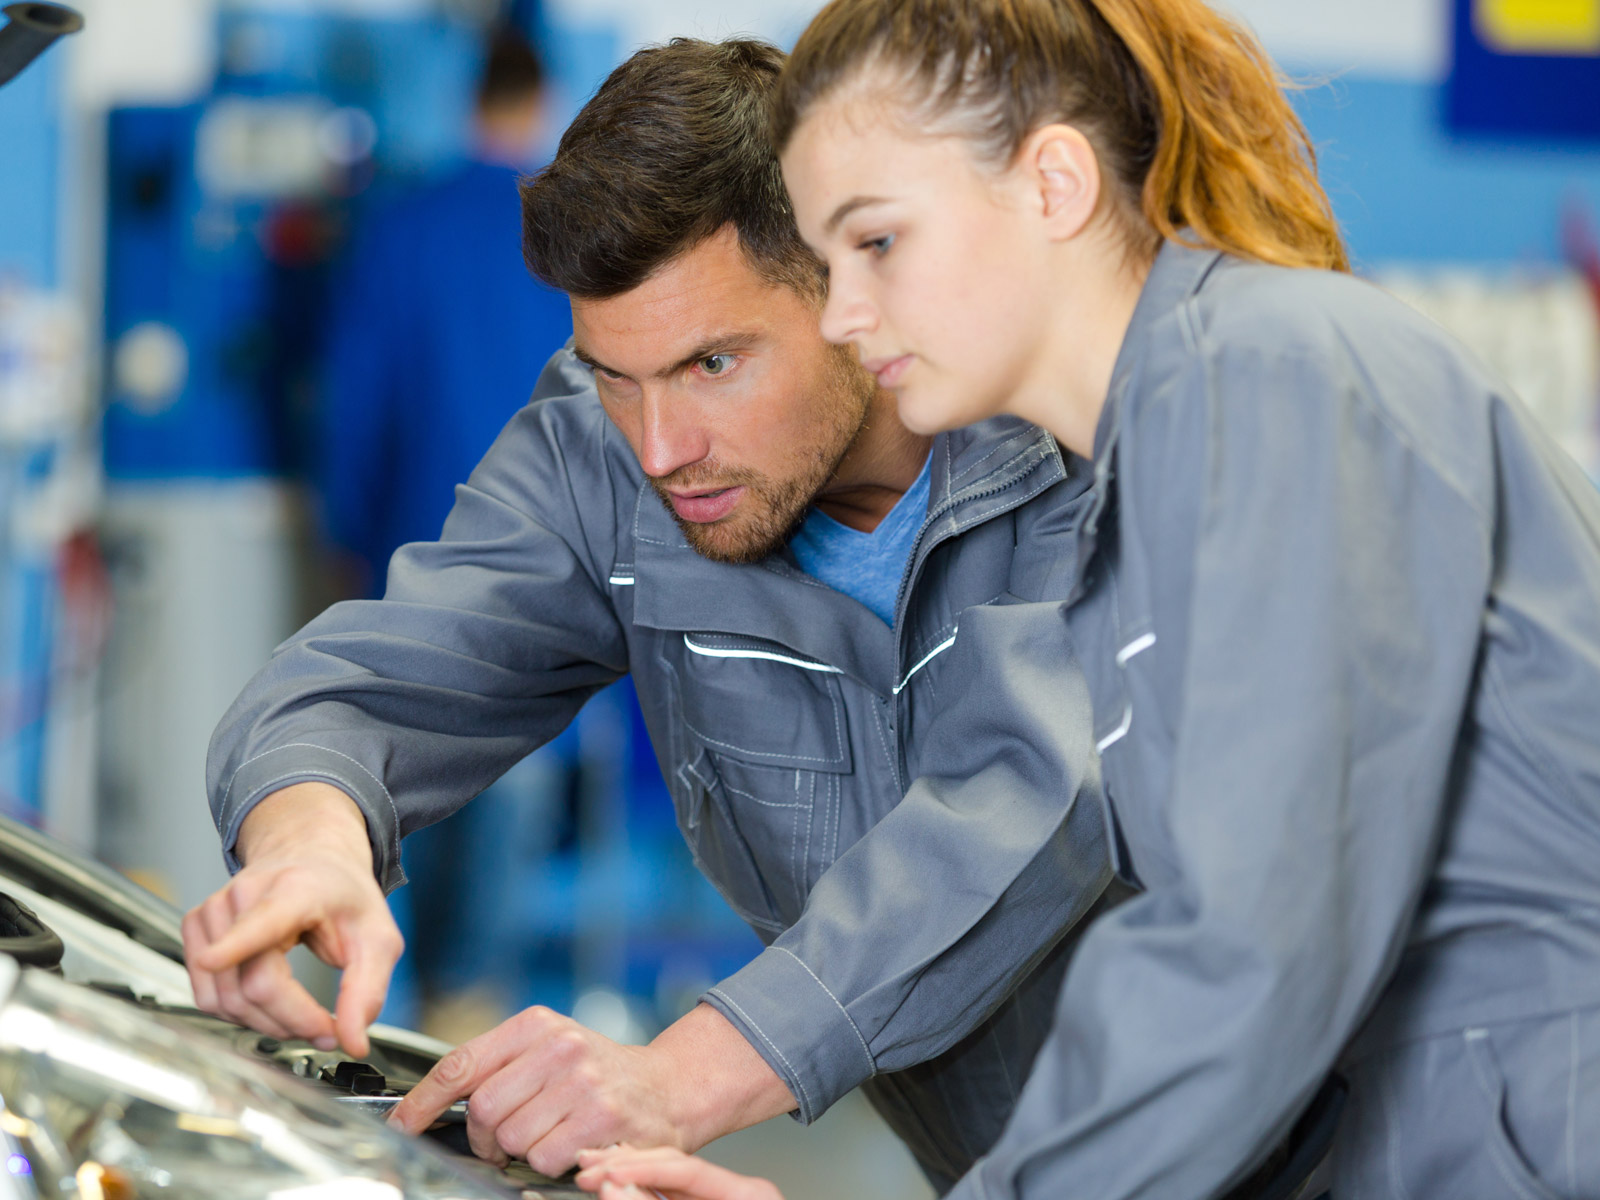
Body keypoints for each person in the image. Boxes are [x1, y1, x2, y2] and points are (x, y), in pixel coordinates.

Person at [573, 1, 1600, 1199]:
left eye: (877, 243)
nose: (843, 316)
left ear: (1053, 185)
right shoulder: (1151, 470)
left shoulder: (1271, 379)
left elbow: (1247, 953)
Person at [182, 37, 1117, 1191]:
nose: (662, 451)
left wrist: (675, 1077)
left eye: (714, 363)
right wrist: (306, 844)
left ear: (855, 288)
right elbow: (377, 676)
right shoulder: (600, 453)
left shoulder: (1073, 437)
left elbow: (1032, 803)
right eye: (615, 374)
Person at [317, 24, 575, 1032]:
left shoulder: (400, 226)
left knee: (388, 765)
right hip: (544, 563)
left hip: (408, 548)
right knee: (513, 776)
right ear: (545, 99)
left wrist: (346, 537)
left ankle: (372, 998)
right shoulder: (575, 234)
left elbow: (351, 402)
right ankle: (468, 1002)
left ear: (467, 94)